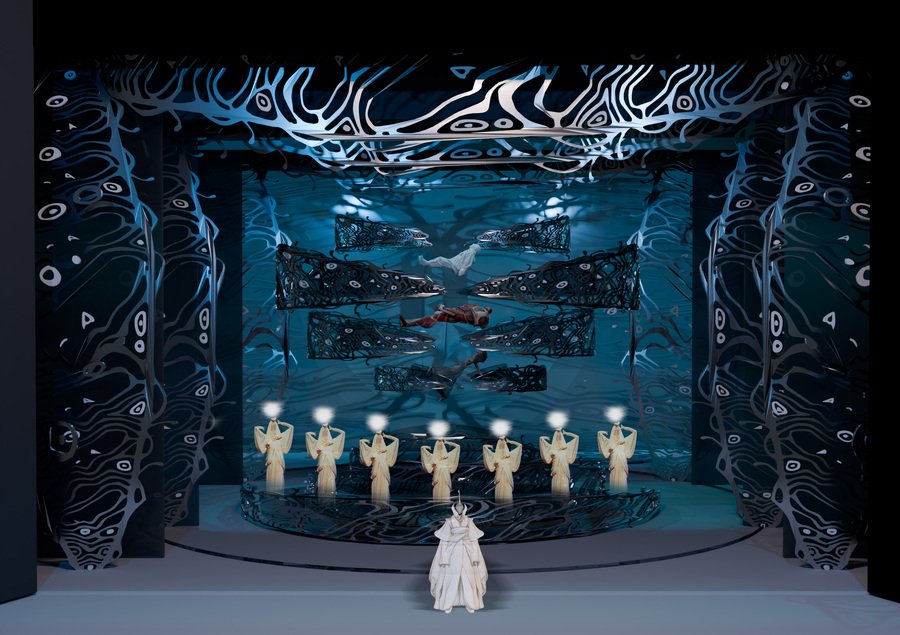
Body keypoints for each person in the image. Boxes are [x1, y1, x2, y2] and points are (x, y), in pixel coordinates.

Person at [429, 497, 488, 614]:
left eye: (461, 506)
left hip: (466, 550)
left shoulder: (469, 521)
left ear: (464, 508)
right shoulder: (449, 521)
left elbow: (474, 539)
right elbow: (444, 539)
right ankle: (447, 603)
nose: (459, 508)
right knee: (451, 577)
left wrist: (475, 555)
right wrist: (444, 556)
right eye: (457, 506)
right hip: (453, 551)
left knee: (468, 577)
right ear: (454, 508)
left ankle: (470, 603)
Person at [305, 422, 345, 498]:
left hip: (330, 464)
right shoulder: (319, 444)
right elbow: (308, 437)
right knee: (323, 480)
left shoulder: (332, 443)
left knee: (330, 480)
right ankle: (323, 499)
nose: (325, 434)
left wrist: (333, 429)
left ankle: (330, 498)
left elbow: (342, 433)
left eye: (326, 431)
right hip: (322, 464)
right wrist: (309, 434)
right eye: (323, 431)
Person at [254, 417, 294, 493]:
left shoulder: (281, 438)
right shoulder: (267, 438)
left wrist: (281, 423)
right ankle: (271, 493)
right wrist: (258, 428)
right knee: (271, 477)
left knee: (279, 477)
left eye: (275, 427)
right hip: (271, 461)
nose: (273, 429)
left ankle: (279, 492)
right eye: (272, 427)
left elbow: (291, 427)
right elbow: (257, 432)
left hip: (279, 460)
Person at [359, 431, 400, 504]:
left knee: (384, 489)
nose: (378, 442)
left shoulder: (386, 450)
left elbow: (396, 440)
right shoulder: (372, 452)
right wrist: (363, 441)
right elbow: (363, 447)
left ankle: (384, 506)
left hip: (384, 473)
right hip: (376, 474)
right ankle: (376, 507)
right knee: (376, 489)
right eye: (377, 440)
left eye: (380, 440)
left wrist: (386, 436)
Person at [598, 423, 638, 493]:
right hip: (614, 462)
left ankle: (622, 493)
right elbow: (600, 436)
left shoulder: (624, 442)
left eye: (618, 431)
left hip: (622, 462)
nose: (616, 433)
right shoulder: (610, 442)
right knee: (615, 476)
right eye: (614, 431)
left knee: (622, 477)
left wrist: (624, 427)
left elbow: (634, 432)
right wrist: (601, 433)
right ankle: (615, 492)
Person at [539, 429, 579, 497]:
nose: (558, 439)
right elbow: (542, 443)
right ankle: (556, 500)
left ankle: (564, 500)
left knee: (564, 488)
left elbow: (576, 437)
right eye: (557, 437)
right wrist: (543, 438)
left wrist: (566, 433)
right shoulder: (552, 449)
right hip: (556, 472)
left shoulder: (566, 448)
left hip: (564, 471)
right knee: (556, 487)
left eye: (560, 437)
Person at [482, 436, 523, 503]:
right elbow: (485, 450)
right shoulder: (496, 457)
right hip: (499, 480)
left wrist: (510, 441)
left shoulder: (510, 456)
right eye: (500, 446)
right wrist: (487, 446)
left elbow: (520, 445)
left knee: (508, 497)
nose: (502, 448)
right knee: (499, 497)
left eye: (503, 446)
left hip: (508, 480)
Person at [400, 303, 492, 329]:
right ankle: (407, 324)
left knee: (426, 319)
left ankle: (407, 324)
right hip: (440, 315)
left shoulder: (463, 316)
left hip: (438, 318)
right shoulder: (473, 308)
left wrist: (442, 308)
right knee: (424, 318)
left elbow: (454, 314)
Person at [418, 243, 482, 276]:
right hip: (452, 262)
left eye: (473, 244)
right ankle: (427, 263)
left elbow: (467, 261)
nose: (472, 244)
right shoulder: (469, 251)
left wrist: (462, 270)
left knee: (440, 259)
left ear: (475, 247)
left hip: (454, 265)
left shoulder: (471, 252)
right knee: (440, 260)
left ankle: (427, 263)